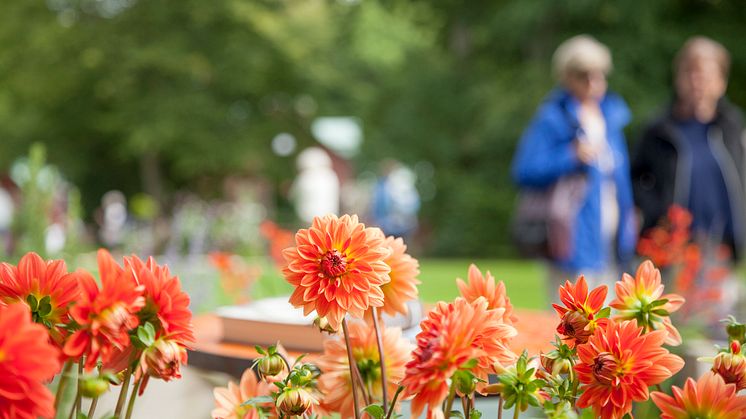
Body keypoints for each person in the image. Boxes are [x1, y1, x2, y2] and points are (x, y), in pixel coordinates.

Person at [631, 37, 745, 330]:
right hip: (673, 247)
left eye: (705, 75)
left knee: (720, 328)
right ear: (678, 78)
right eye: (690, 73)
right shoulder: (660, 129)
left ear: (721, 82)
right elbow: (635, 178)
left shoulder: (733, 127)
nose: (697, 82)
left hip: (719, 247)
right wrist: (656, 212)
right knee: (672, 328)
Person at [511, 35, 637, 297]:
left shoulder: (611, 117)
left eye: (599, 74)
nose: (593, 82)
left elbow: (621, 180)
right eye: (584, 75)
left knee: (610, 323)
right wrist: (569, 156)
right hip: (571, 237)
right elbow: (524, 169)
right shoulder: (552, 117)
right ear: (567, 77)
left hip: (612, 236)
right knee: (571, 324)